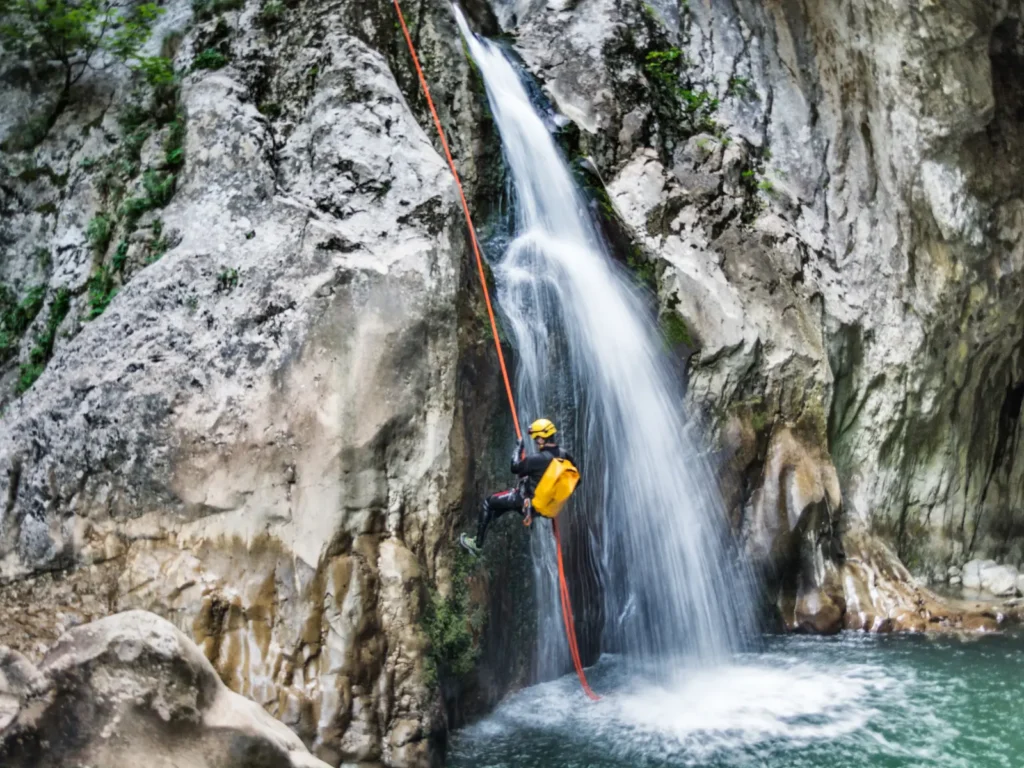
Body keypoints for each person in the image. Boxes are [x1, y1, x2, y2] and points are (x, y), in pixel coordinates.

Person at [459, 418, 576, 557]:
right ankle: (486, 525)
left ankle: (477, 545)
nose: (535, 441)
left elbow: (515, 468)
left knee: (488, 503)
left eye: (536, 438)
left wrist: (518, 448)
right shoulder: (564, 455)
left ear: (541, 439)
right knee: (499, 508)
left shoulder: (536, 459)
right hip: (545, 508)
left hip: (524, 502)